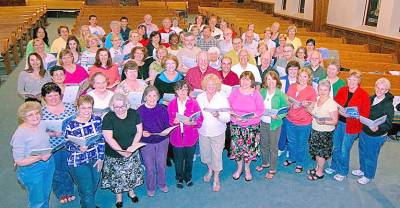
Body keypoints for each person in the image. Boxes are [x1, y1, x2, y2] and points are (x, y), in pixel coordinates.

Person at [101, 93, 144, 207]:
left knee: (131, 173)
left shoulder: (134, 113)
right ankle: (118, 196)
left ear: (127, 105)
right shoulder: (108, 117)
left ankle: (131, 191)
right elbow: (108, 138)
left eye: (122, 106)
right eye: (116, 107)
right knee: (117, 176)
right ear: (112, 106)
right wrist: (122, 152)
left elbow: (139, 131)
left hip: (132, 151)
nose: (120, 109)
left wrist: (131, 148)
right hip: (114, 153)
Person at [328, 70, 371, 182]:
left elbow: (365, 114)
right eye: (350, 79)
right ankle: (334, 166)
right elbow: (334, 104)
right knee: (336, 146)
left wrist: (351, 115)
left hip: (352, 127)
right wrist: (340, 111)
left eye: (354, 79)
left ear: (359, 81)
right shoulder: (343, 90)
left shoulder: (364, 94)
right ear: (347, 79)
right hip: (339, 124)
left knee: (344, 150)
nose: (351, 81)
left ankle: (343, 172)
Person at [11, 101, 55, 208]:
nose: (35, 117)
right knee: (37, 201)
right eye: (30, 115)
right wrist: (39, 157)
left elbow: (42, 135)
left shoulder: (41, 124)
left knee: (45, 194)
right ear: (23, 118)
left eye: (37, 113)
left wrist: (54, 133)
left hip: (48, 163)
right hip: (32, 169)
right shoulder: (20, 134)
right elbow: (19, 161)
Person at [64, 95, 105, 208]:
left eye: (89, 108)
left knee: (93, 186)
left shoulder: (97, 120)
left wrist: (101, 158)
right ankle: (88, 204)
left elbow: (101, 139)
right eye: (83, 108)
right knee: (87, 190)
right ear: (77, 108)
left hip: (95, 159)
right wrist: (78, 148)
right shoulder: (71, 124)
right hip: (78, 161)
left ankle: (86, 204)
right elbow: (67, 144)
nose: (86, 111)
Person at [352, 78, 394, 184]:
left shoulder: (388, 105)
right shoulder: (371, 98)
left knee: (371, 155)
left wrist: (378, 128)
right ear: (374, 87)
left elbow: (388, 124)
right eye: (377, 88)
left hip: (377, 135)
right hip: (365, 131)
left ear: (386, 90)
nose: (379, 91)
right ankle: (362, 170)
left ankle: (368, 175)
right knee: (362, 152)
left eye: (382, 89)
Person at [40, 83, 77, 203]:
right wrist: (53, 134)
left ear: (60, 95)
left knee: (69, 167)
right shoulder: (41, 112)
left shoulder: (70, 107)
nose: (53, 98)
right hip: (53, 145)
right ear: (44, 97)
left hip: (69, 143)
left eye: (56, 95)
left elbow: (76, 122)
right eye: (49, 96)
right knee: (56, 169)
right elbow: (37, 131)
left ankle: (70, 190)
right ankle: (61, 193)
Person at [197, 74, 230, 192]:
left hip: (218, 131)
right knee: (206, 154)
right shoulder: (200, 97)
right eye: (209, 84)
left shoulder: (222, 98)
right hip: (203, 131)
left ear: (217, 86)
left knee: (216, 155)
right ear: (205, 85)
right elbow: (196, 114)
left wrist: (219, 115)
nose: (211, 87)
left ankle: (216, 177)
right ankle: (210, 169)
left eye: (214, 84)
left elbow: (227, 118)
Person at [229, 71, 265, 181]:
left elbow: (261, 110)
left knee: (249, 149)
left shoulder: (256, 94)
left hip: (251, 126)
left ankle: (247, 168)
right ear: (240, 80)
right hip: (236, 125)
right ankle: (239, 168)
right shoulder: (235, 92)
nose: (245, 81)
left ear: (252, 81)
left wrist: (250, 117)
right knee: (238, 149)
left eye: (248, 79)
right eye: (243, 78)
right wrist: (234, 116)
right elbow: (228, 107)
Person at [167, 80, 204, 188]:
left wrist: (193, 122)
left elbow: (200, 119)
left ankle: (188, 177)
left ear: (188, 90)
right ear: (176, 91)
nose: (182, 91)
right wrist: (173, 121)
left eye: (185, 89)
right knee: (178, 160)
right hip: (176, 136)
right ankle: (179, 178)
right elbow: (168, 120)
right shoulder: (172, 103)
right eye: (180, 89)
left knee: (189, 159)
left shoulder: (194, 102)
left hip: (191, 136)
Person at [138, 86, 170, 196]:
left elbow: (167, 125)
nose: (152, 98)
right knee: (150, 167)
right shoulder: (140, 110)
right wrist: (141, 132)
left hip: (162, 140)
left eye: (154, 96)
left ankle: (162, 184)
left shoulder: (162, 108)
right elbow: (136, 128)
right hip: (146, 142)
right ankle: (150, 187)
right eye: (149, 96)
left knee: (161, 164)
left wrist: (167, 131)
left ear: (158, 97)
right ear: (145, 97)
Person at [285, 67, 317, 173]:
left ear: (308, 78)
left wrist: (304, 105)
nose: (302, 79)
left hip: (304, 122)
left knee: (302, 143)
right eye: (300, 76)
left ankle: (300, 162)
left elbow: (312, 107)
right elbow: (287, 100)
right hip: (290, 119)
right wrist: (291, 104)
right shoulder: (292, 86)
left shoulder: (311, 90)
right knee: (291, 141)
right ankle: (292, 158)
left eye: (305, 76)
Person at [305, 80, 338, 181]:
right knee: (316, 152)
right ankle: (317, 168)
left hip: (325, 132)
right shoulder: (318, 99)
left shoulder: (331, 104)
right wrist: (308, 108)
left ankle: (320, 172)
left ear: (329, 90)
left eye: (325, 90)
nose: (323, 92)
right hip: (316, 130)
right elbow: (315, 114)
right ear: (318, 89)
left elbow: (335, 121)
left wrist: (323, 122)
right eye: (321, 89)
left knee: (321, 153)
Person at [258, 71, 288, 179]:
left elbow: (285, 110)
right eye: (268, 79)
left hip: (274, 124)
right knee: (263, 144)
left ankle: (273, 168)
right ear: (265, 81)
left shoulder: (280, 94)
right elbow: (257, 106)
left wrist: (279, 116)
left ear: (277, 81)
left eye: (273, 79)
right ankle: (265, 163)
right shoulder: (261, 91)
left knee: (273, 147)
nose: (271, 82)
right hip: (263, 122)